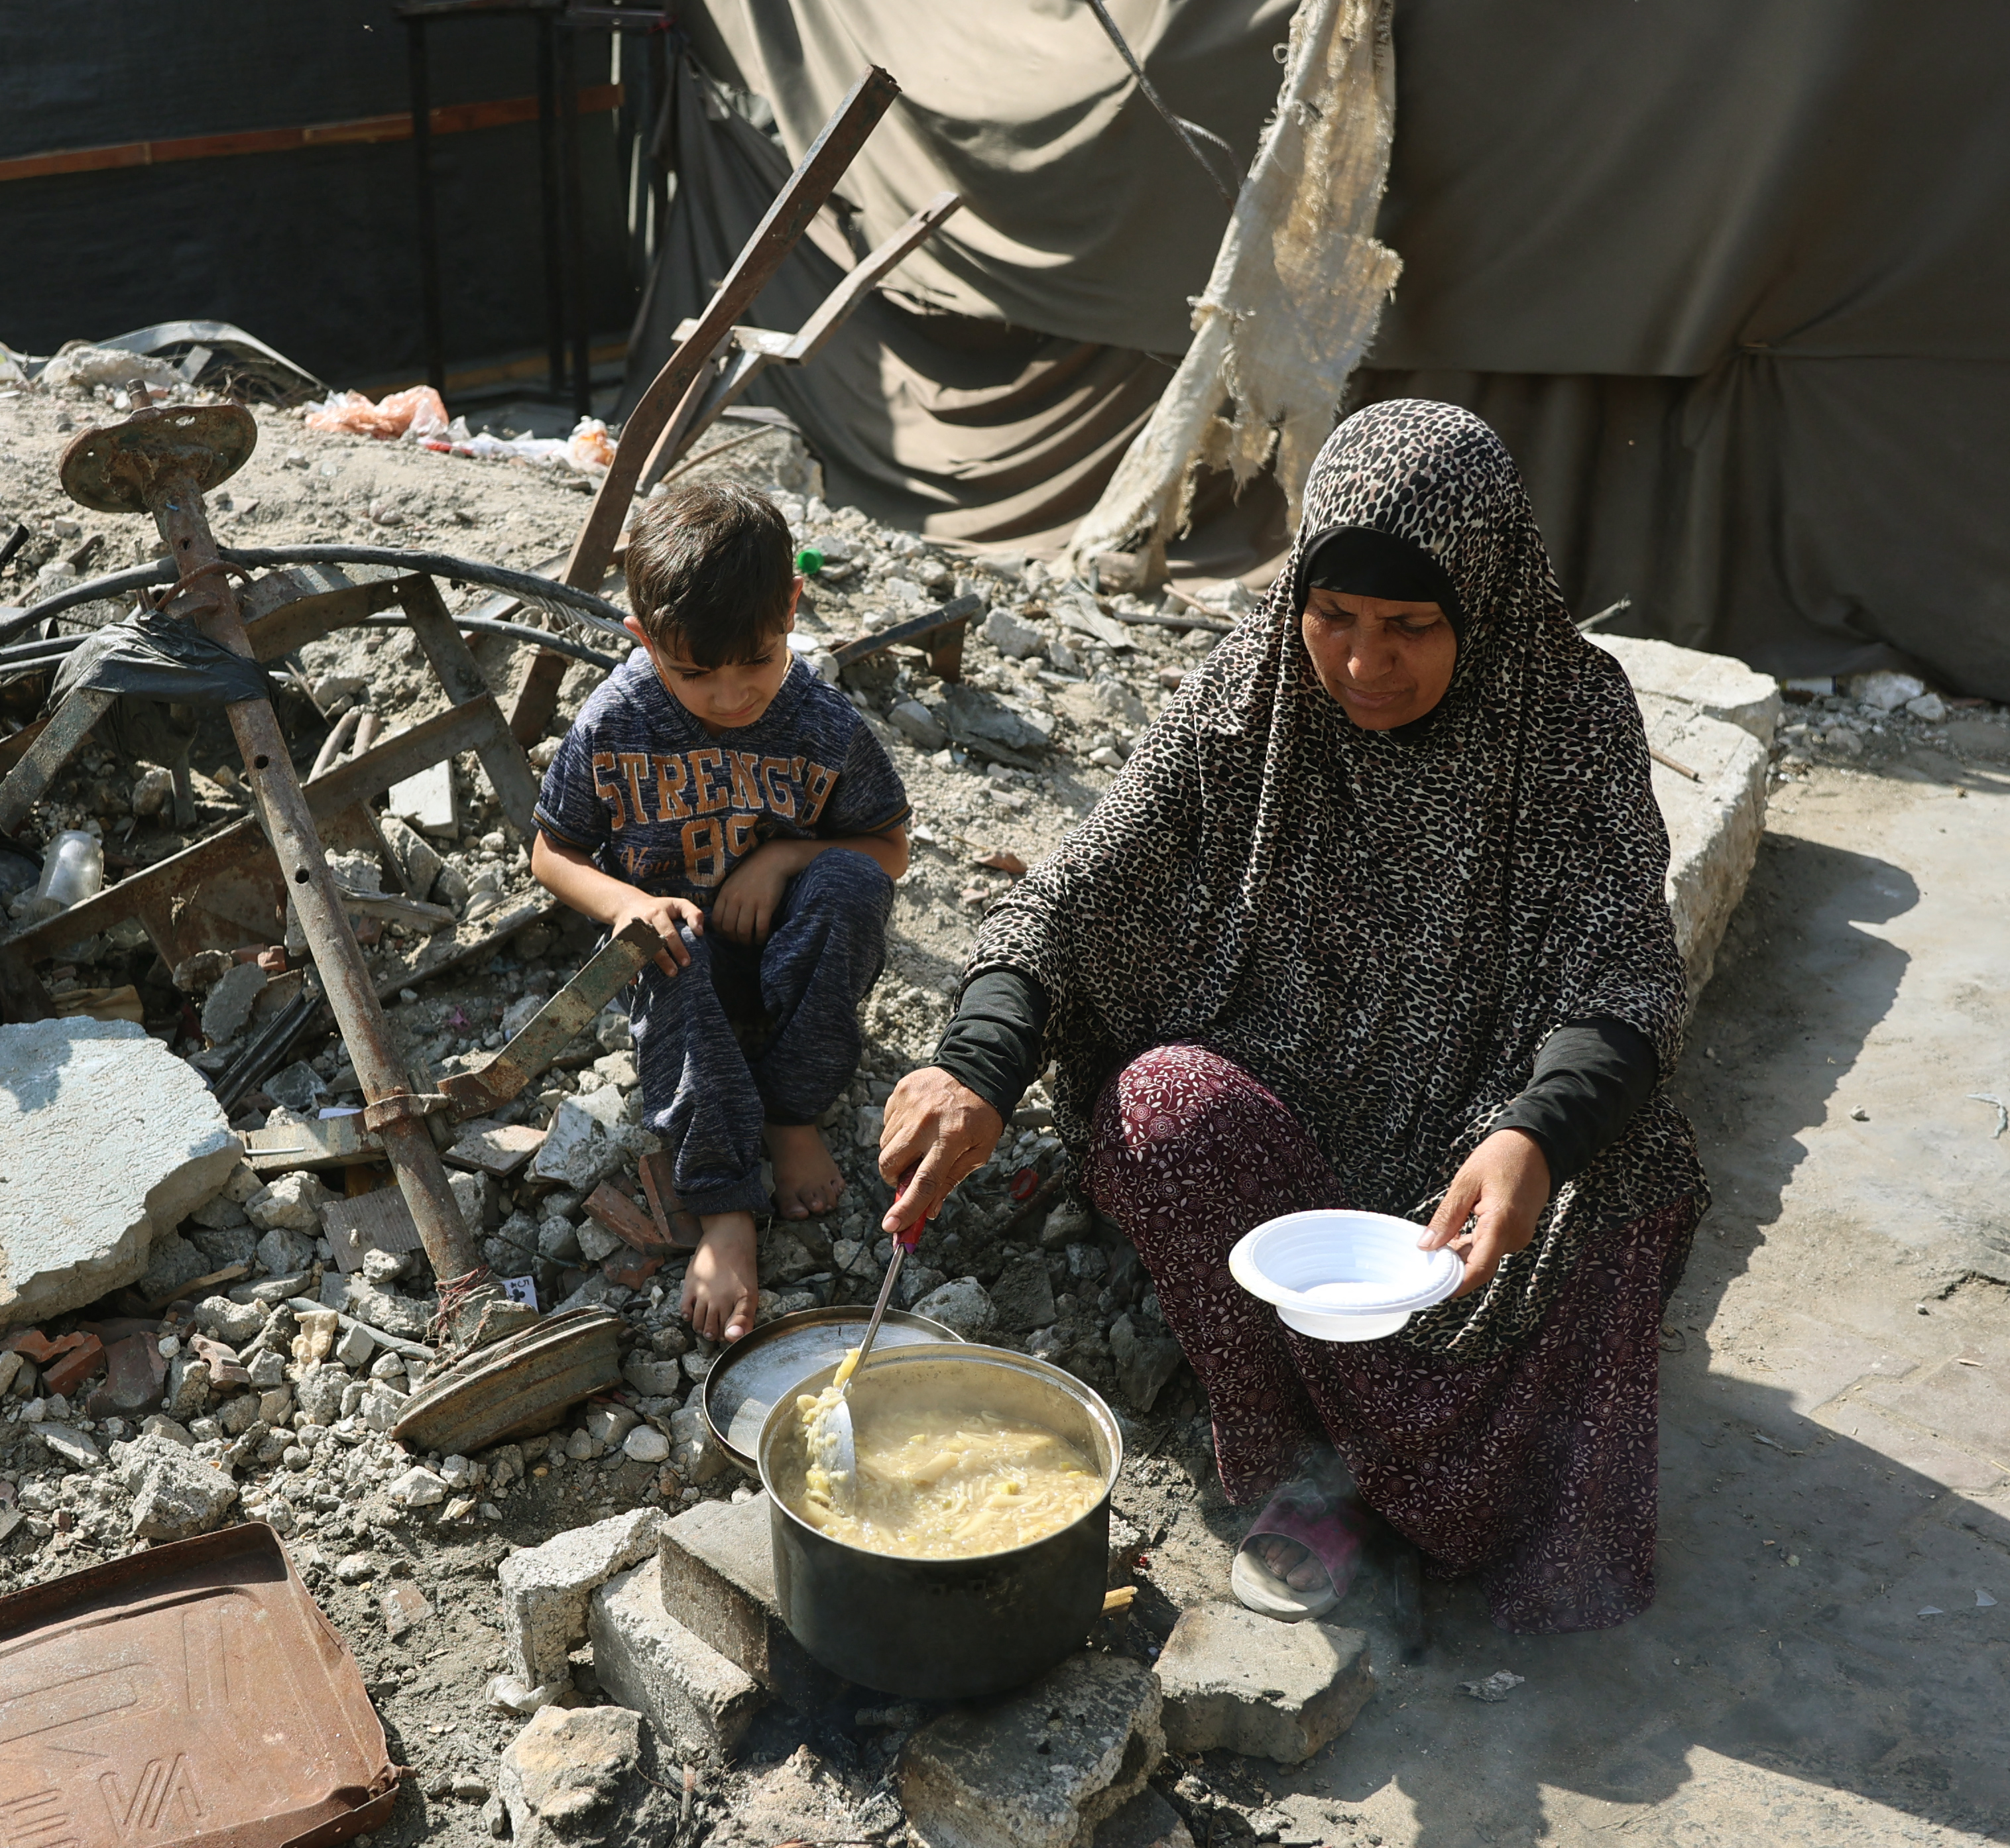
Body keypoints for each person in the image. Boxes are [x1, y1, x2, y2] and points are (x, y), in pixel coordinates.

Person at [878, 400, 1706, 1635]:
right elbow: (1077, 887)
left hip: (1480, 1128)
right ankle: (1303, 1477)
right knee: (1162, 1109)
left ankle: (1460, 1500)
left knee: (1625, 1164)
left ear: (1479, 603)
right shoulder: (1247, 695)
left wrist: (1539, 1129)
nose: (1364, 664)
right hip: (1285, 1106)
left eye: (1412, 627)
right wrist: (975, 1062)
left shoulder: (1568, 717)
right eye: (1336, 618)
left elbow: (1626, 970)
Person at [531, 482, 912, 1346]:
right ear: (644, 640)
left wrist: (784, 859)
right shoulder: (617, 722)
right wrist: (631, 904)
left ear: (792, 608)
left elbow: (888, 850)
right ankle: (725, 1205)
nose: (731, 695)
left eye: (758, 661)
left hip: (791, 955)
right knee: (671, 946)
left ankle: (791, 1116)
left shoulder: (823, 723)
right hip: (679, 969)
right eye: (695, 672)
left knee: (848, 889)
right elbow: (553, 853)